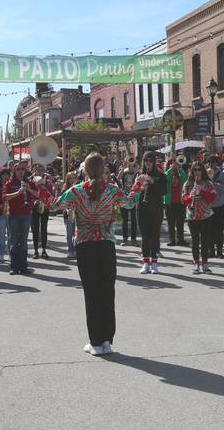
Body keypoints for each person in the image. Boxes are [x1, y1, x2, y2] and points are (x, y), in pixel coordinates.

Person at [54, 152, 144, 355]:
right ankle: (107, 341)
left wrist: (41, 191)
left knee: (91, 293)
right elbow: (129, 203)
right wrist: (138, 186)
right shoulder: (112, 190)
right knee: (107, 292)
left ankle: (95, 342)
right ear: (104, 169)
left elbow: (55, 205)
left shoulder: (76, 191)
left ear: (84, 170)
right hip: (106, 244)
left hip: (85, 244)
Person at [2, 161, 37, 275]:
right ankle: (14, 266)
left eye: (23, 169)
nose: (21, 171)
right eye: (18, 169)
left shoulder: (29, 182)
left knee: (23, 241)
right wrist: (18, 192)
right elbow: (5, 197)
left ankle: (24, 266)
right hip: (13, 215)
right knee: (13, 241)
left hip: (26, 214)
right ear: (14, 171)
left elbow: (37, 195)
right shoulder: (9, 183)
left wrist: (29, 189)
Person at [183, 161, 216, 274]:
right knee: (195, 241)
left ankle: (205, 264)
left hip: (206, 215)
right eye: (195, 169)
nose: (197, 172)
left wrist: (201, 192)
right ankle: (196, 264)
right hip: (192, 216)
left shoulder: (208, 183)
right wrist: (190, 196)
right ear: (192, 171)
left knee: (205, 241)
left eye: (199, 169)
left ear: (202, 170)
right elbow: (183, 200)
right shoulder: (188, 184)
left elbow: (212, 198)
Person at [138, 151, 166, 274]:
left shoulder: (161, 176)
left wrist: (153, 183)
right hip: (142, 209)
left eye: (150, 160)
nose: (147, 163)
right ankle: (145, 263)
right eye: (145, 160)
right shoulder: (140, 175)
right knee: (144, 236)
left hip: (156, 209)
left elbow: (163, 191)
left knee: (154, 235)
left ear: (154, 162)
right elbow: (133, 193)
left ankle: (154, 262)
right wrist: (139, 187)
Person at [208, 155, 224, 259]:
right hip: (209, 206)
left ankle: (220, 251)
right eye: (209, 162)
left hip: (220, 206)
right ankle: (211, 251)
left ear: (217, 163)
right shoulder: (206, 174)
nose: (211, 164)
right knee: (210, 230)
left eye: (213, 162)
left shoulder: (223, 174)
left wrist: (216, 184)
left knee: (219, 230)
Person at [164, 158, 187, 247]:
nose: (174, 165)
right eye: (172, 164)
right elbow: (166, 177)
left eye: (175, 163)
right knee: (171, 223)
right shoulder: (168, 173)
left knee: (180, 222)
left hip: (180, 202)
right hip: (169, 202)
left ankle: (181, 240)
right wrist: (171, 169)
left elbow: (185, 179)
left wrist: (179, 168)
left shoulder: (180, 174)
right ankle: (172, 240)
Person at [31, 170, 53, 259]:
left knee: (44, 229)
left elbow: (50, 196)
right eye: (38, 182)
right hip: (35, 209)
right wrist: (34, 201)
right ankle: (36, 251)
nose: (40, 184)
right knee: (35, 230)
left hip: (45, 208)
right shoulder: (32, 186)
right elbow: (29, 198)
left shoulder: (46, 186)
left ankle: (43, 250)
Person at [118, 161, 139, 246]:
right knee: (124, 220)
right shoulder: (124, 172)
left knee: (134, 220)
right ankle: (125, 239)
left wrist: (136, 169)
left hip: (133, 198)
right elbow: (118, 177)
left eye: (132, 165)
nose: (130, 167)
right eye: (129, 165)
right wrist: (123, 167)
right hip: (124, 198)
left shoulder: (136, 173)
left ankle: (134, 239)